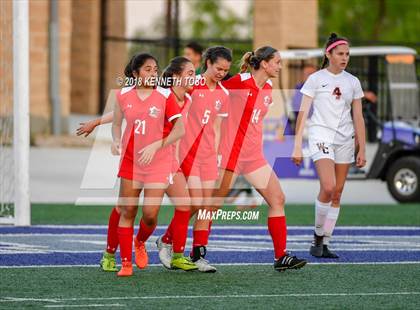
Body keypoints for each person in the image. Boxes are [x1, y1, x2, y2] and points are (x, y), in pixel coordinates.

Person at [77, 56, 198, 273]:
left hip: (165, 160)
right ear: (175, 77)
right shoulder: (157, 92)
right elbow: (123, 111)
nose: (195, 78)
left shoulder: (185, 97)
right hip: (139, 159)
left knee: (174, 207)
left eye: (195, 74)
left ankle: (160, 247)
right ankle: (111, 254)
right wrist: (97, 123)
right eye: (190, 74)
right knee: (125, 208)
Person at [207, 46, 307, 272]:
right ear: (264, 63)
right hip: (231, 154)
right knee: (208, 205)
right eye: (277, 62)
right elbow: (210, 90)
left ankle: (280, 257)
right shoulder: (239, 82)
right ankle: (174, 242)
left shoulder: (268, 88)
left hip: (253, 157)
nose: (280, 66)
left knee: (278, 199)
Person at [107, 53, 186, 277]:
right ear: (135, 74)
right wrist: (115, 141)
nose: (153, 73)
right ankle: (125, 264)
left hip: (158, 163)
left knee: (150, 214)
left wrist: (155, 146)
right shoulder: (123, 95)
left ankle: (140, 242)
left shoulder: (164, 95)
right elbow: (116, 124)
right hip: (131, 162)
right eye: (147, 69)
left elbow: (179, 130)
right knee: (128, 209)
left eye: (155, 69)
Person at [292, 33, 367, 259]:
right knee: (328, 186)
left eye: (347, 54)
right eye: (340, 54)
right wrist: (297, 145)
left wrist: (361, 147)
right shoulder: (315, 79)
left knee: (337, 193)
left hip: (344, 140)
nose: (344, 58)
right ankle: (317, 235)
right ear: (329, 54)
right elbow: (303, 113)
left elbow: (359, 117)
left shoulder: (353, 82)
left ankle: (324, 243)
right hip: (320, 135)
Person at [159, 46, 232, 273]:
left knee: (206, 206)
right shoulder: (192, 84)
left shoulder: (224, 94)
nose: (221, 73)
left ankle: (198, 255)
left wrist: (218, 156)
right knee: (194, 203)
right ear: (207, 63)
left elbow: (217, 127)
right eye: (218, 68)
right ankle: (167, 241)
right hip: (188, 152)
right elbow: (171, 103)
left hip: (209, 156)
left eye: (226, 70)